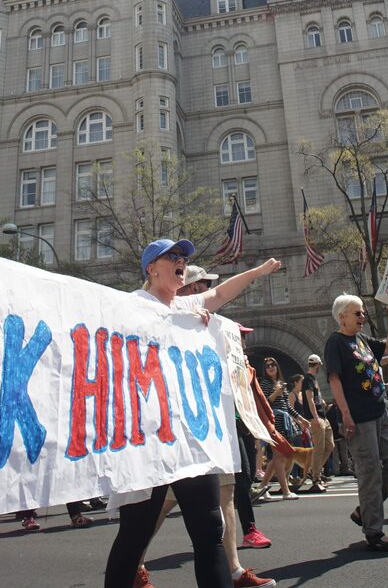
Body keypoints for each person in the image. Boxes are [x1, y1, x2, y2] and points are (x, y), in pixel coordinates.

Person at [104, 241, 282, 588]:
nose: (181, 261)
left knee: (209, 531)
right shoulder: (129, 307)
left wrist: (259, 272)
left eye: (183, 257)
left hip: (191, 437)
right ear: (151, 268)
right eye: (172, 257)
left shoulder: (188, 306)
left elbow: (219, 294)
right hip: (149, 439)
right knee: (135, 532)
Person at [325, 294, 388, 552]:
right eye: (357, 313)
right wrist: (346, 414)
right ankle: (374, 531)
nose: (362, 317)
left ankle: (365, 511)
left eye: (362, 312)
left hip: (380, 412)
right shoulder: (336, 343)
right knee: (370, 472)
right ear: (342, 317)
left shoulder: (361, 339)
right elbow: (334, 380)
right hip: (359, 418)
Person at [253, 359, 303, 500]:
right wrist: (276, 393)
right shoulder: (264, 383)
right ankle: (286, 491)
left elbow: (287, 406)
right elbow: (264, 403)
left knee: (277, 458)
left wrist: (301, 419)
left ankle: (261, 488)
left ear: (277, 366)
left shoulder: (282, 384)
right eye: (267, 366)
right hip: (273, 422)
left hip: (284, 423)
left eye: (273, 364)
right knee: (279, 457)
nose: (270, 367)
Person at [295, 355, 333, 493]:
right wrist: (315, 417)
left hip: (323, 417)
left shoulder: (314, 379)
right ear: (317, 364)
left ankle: (313, 470)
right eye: (319, 365)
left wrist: (323, 405)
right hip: (316, 418)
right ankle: (316, 479)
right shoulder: (307, 380)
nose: (320, 367)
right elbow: (310, 399)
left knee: (330, 445)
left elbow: (316, 399)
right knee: (319, 449)